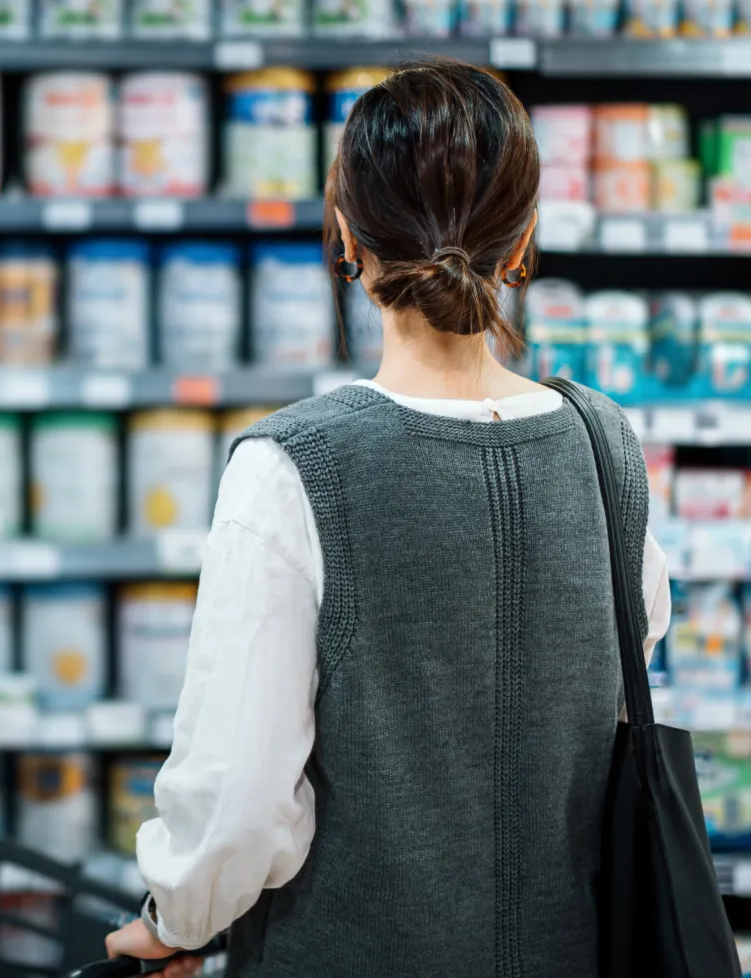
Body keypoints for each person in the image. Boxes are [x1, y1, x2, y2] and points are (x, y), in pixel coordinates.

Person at [104, 60, 671, 976]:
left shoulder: (294, 468)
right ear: (523, 241)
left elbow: (240, 796)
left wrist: (179, 920)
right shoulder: (607, 447)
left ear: (345, 239)